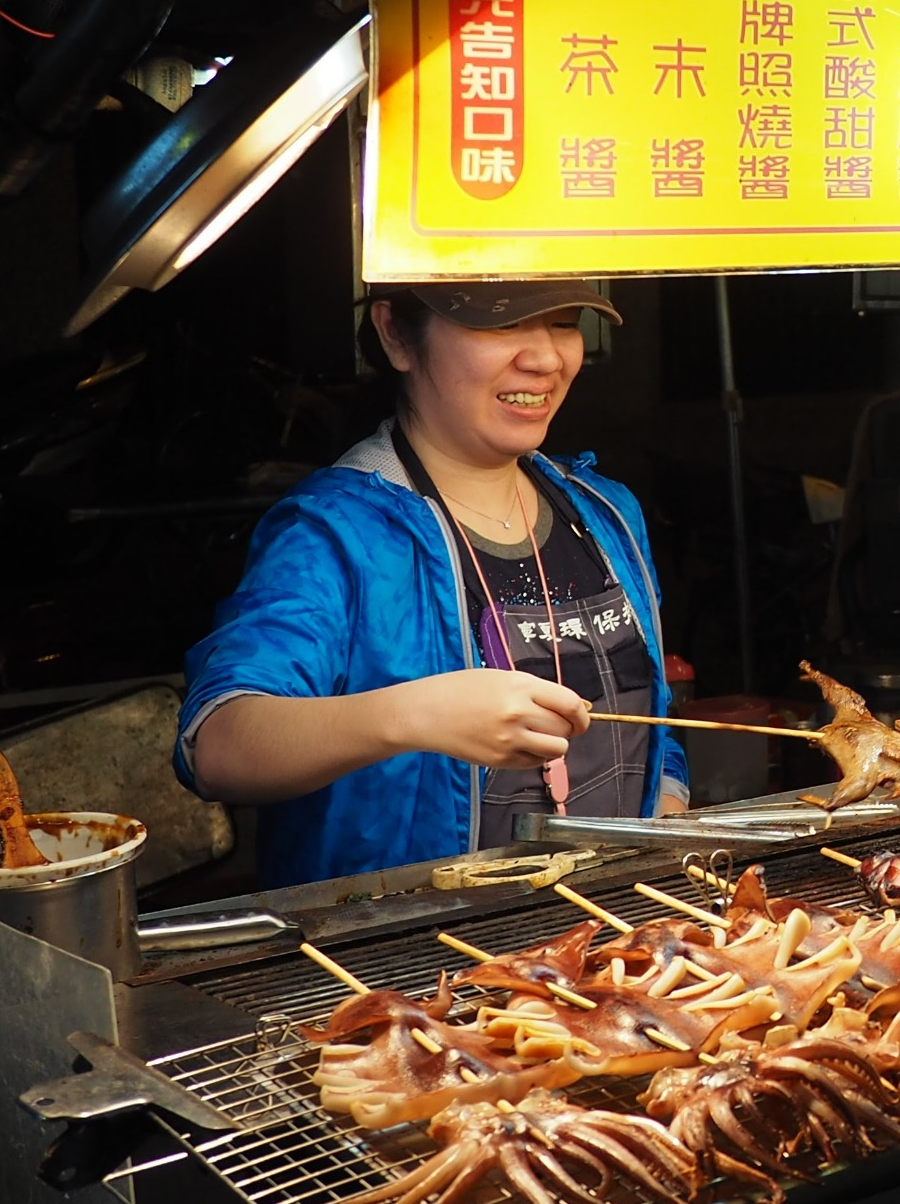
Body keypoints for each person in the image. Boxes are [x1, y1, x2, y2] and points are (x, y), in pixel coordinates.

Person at [179, 280, 687, 884]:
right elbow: (217, 744)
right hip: (402, 955)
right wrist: (411, 714)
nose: (547, 358)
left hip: (602, 938)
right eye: (501, 324)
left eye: (564, 321)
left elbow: (650, 716)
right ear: (396, 335)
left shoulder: (606, 515)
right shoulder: (334, 533)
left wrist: (668, 800)